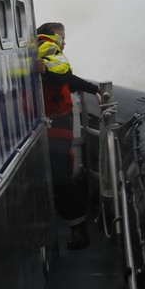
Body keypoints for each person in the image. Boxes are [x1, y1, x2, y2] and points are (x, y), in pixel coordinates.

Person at [36, 22, 99, 249]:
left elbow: (65, 75)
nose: (64, 43)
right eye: (62, 37)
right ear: (52, 35)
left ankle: (79, 230)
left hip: (55, 124)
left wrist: (93, 89)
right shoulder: (48, 47)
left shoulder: (46, 50)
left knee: (60, 179)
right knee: (60, 179)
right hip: (54, 123)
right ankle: (78, 229)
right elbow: (64, 74)